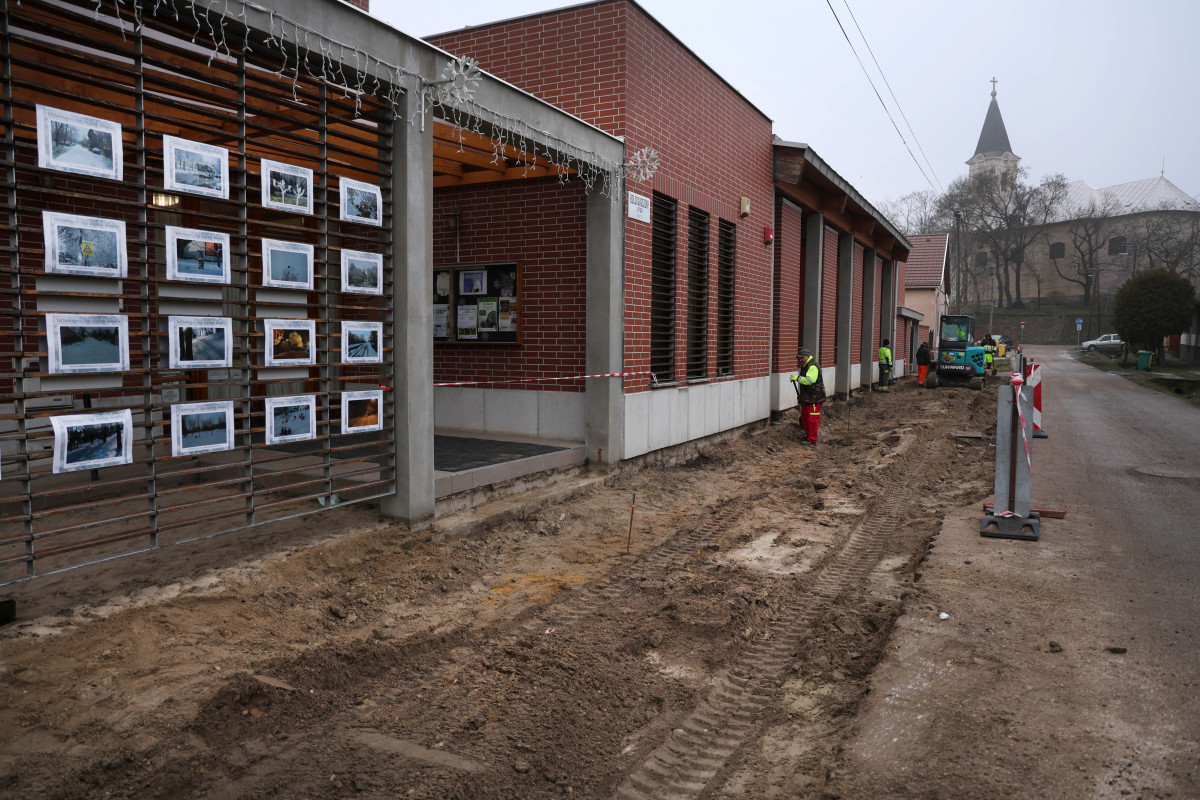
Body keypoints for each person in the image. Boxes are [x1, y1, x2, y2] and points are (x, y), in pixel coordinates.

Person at [789, 348, 825, 445]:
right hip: (807, 398)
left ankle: (812, 439)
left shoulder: (812, 366)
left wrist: (797, 378)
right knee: (805, 417)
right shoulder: (806, 366)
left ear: (807, 356)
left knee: (812, 419)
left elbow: (810, 380)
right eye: (799, 358)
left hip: (814, 398)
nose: (799, 360)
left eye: (801, 358)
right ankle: (809, 435)